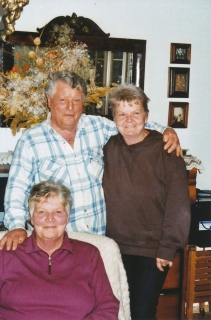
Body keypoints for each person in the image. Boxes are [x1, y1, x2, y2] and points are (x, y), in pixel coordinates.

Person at [0, 70, 181, 251]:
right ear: (49, 101)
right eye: (63, 100)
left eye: (76, 101)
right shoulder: (31, 140)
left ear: (83, 103)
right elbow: (17, 189)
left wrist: (167, 130)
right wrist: (16, 226)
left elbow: (131, 124)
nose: (70, 107)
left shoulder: (97, 127)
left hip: (99, 242)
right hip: (55, 244)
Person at [102, 84, 191, 320]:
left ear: (146, 117)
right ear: (114, 119)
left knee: (142, 313)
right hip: (114, 248)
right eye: (122, 114)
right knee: (119, 312)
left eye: (135, 113)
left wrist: (168, 247)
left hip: (152, 250)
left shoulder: (166, 150)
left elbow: (179, 204)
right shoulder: (108, 148)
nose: (129, 120)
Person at [0, 180, 119, 320]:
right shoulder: (7, 253)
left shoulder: (89, 254)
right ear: (31, 218)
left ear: (67, 218)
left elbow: (108, 306)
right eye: (42, 212)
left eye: (58, 212)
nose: (50, 219)